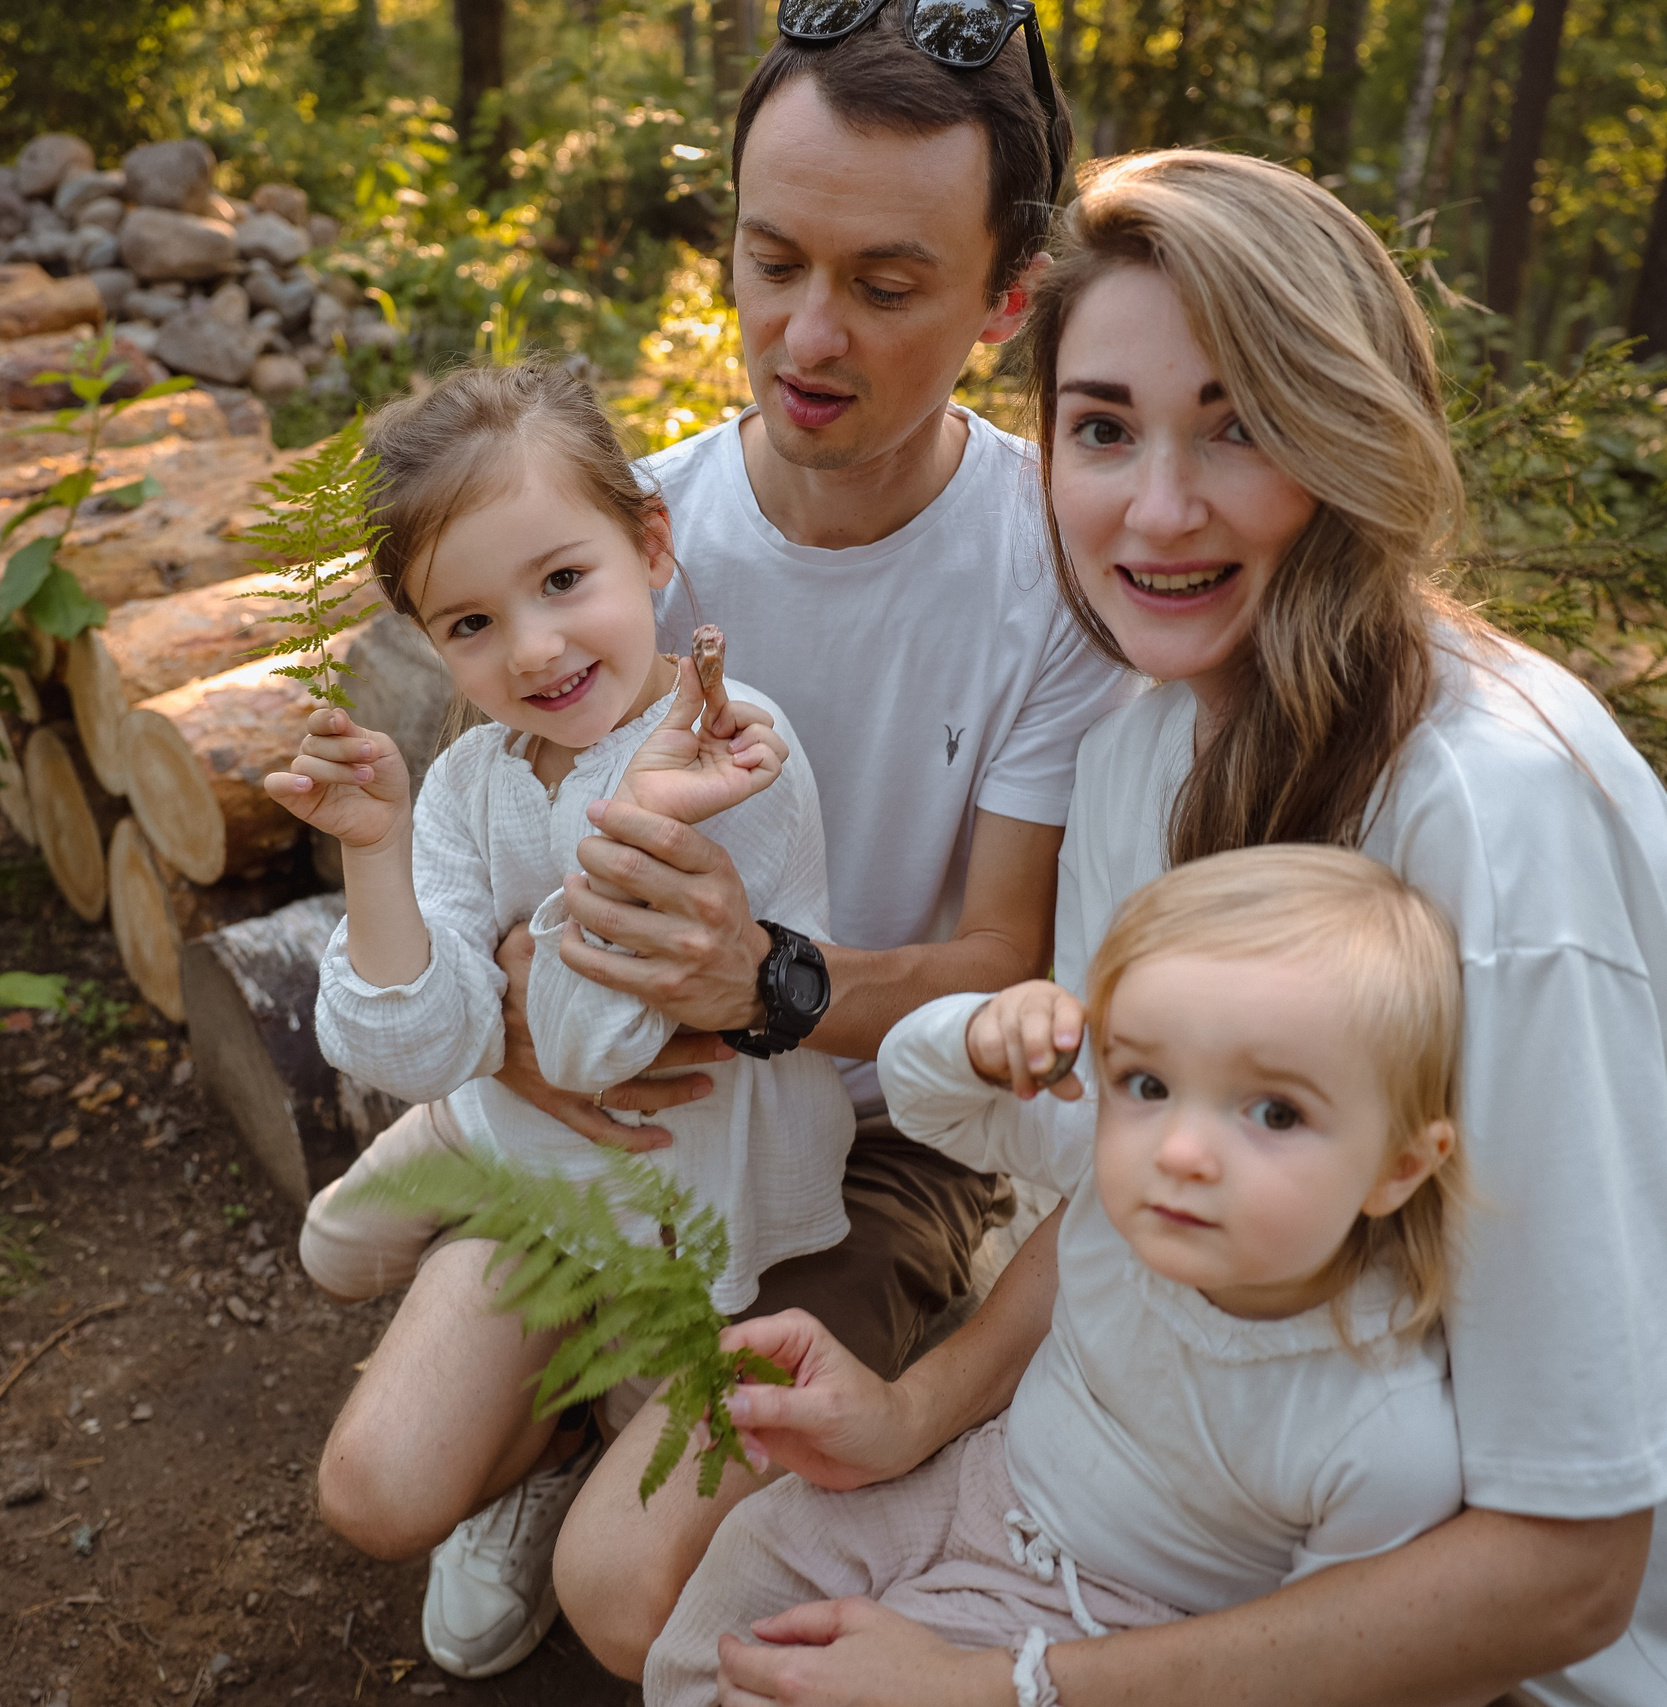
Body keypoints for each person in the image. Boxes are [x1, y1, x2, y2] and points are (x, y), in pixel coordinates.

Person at [700, 147, 1667, 1707]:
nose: (1157, 506)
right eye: (1103, 427)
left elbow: (1574, 1568)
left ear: (1348, 434)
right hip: (1198, 1526)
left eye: (1239, 424)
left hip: (1546, 1655)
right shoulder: (1141, 741)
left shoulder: (1497, 819)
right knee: (698, 1623)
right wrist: (914, 1412)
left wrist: (1008, 1682)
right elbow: (1126, 1189)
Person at [519, 9, 1138, 1675]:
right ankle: (562, 1434)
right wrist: (522, 1011)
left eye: (884, 284)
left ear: (1007, 300)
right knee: (381, 1476)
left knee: (629, 1593)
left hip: (892, 1136)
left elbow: (1001, 959)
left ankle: (679, 1439)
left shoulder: (1049, 572)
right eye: (773, 259)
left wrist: (763, 983)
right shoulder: (621, 539)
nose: (805, 334)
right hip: (643, 1101)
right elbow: (498, 867)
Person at [268, 359, 857, 1679]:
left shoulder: (728, 750)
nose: (532, 648)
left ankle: (587, 1428)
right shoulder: (471, 778)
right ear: (427, 638)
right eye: (471, 622)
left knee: (640, 1540)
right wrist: (376, 849)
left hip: (698, 1212)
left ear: (649, 545)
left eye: (563, 581)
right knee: (363, 1451)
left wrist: (634, 815)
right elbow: (418, 1044)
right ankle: (536, 1428)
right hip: (544, 1176)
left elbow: (596, 1049)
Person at [648, 844, 1473, 1705]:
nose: (1181, 1149)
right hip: (977, 1479)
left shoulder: (1383, 1433)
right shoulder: (1125, 1197)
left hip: (1115, 1630)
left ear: (1401, 1166)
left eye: (1275, 1111)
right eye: (1149, 1082)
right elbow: (922, 1095)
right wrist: (978, 1037)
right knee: (739, 1580)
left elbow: (1317, 1664)